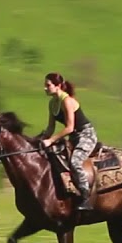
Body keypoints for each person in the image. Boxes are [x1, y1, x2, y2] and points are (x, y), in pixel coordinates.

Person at [39, 72, 97, 211]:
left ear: (58, 86)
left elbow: (70, 127)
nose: (45, 88)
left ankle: (86, 196)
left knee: (75, 162)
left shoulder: (67, 101)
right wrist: (42, 139)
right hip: (73, 138)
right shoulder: (52, 103)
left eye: (48, 85)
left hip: (86, 135)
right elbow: (50, 127)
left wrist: (51, 140)